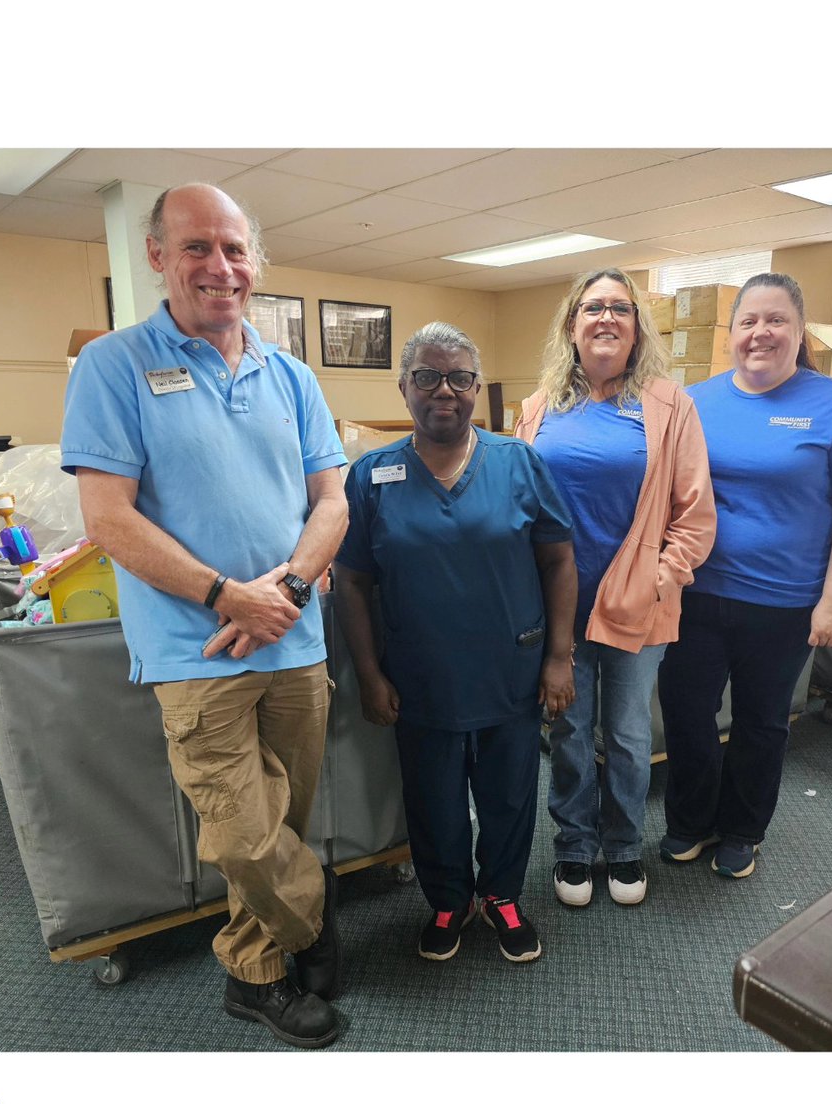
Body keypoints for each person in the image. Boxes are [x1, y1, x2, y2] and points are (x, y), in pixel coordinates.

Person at [60, 183, 350, 1048]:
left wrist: (289, 590)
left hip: (294, 641)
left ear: (253, 263)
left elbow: (331, 502)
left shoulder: (290, 374)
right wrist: (228, 596)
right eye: (196, 248)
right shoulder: (114, 365)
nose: (218, 267)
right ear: (157, 257)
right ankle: (313, 926)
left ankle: (254, 976)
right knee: (243, 832)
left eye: (233, 249)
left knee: (281, 820)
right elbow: (108, 520)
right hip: (197, 650)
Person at [334, 322, 576, 963]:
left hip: (510, 668)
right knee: (434, 799)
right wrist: (370, 673)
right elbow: (352, 583)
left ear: (476, 387)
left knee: (508, 793)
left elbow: (558, 562)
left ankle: (501, 895)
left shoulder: (518, 463)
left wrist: (558, 658)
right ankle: (448, 900)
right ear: (405, 387)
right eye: (427, 377)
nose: (445, 390)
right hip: (421, 677)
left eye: (460, 378)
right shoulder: (372, 475)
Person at [658, 272, 832, 879]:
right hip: (695, 594)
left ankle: (742, 829)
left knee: (761, 722)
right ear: (732, 333)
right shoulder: (696, 402)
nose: (760, 333)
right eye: (748, 321)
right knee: (687, 714)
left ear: (798, 331)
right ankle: (689, 821)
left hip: (785, 603)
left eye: (776, 320)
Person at [515, 269, 716, 907]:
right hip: (559, 609)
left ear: (636, 327)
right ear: (572, 326)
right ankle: (574, 847)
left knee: (629, 736)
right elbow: (521, 501)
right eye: (592, 307)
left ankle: (624, 845)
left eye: (620, 309)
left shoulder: (667, 404)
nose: (606, 318)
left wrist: (659, 580)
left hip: (638, 608)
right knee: (569, 733)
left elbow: (695, 515)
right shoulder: (540, 406)